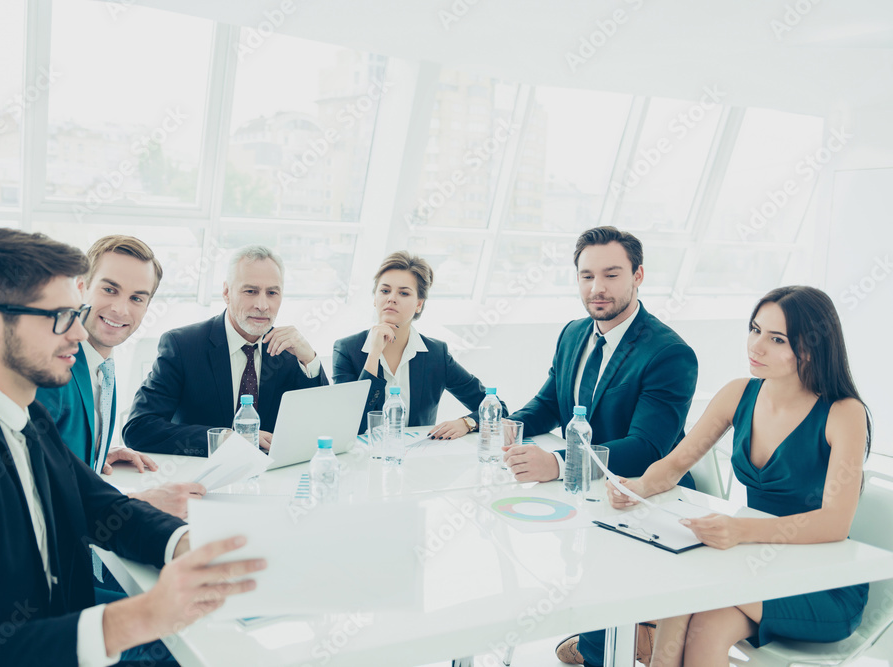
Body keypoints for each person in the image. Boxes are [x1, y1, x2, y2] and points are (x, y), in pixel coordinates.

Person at [0, 228, 263, 667]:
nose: (78, 333)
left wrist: (190, 545)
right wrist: (139, 617)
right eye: (59, 317)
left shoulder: (26, 413)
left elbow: (101, 506)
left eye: (75, 313)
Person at [607, 286, 871, 667]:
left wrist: (739, 531)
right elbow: (676, 463)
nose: (756, 346)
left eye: (776, 339)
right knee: (702, 622)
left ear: (811, 348)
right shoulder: (738, 394)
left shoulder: (843, 412)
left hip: (821, 580)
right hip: (757, 565)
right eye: (755, 329)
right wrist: (637, 486)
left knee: (691, 591)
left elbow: (835, 523)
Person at [501, 226, 699, 666]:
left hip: (646, 496)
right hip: (591, 492)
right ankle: (603, 641)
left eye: (611, 275)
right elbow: (552, 401)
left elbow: (648, 447)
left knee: (602, 574)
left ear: (638, 276)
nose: (598, 288)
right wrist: (505, 425)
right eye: (586, 276)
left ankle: (615, 644)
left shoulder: (669, 353)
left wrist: (556, 462)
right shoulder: (574, 332)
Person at [37, 235, 205, 520]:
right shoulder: (51, 369)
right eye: (110, 289)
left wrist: (95, 454)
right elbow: (34, 489)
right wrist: (137, 500)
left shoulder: (104, 364)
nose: (121, 309)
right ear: (82, 287)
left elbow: (59, 451)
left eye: (136, 298)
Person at [124, 244, 328, 456]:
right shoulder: (182, 346)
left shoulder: (289, 351)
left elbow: (323, 426)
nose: (262, 305)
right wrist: (224, 438)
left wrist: (310, 359)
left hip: (271, 478)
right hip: (200, 479)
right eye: (250, 291)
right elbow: (139, 428)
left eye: (272, 293)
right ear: (226, 292)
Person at [333, 251, 506, 438]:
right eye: (384, 291)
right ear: (375, 299)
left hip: (417, 459)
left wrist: (466, 423)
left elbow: (498, 408)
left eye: (404, 293)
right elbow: (349, 423)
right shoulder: (346, 350)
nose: (391, 298)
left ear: (419, 305)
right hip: (361, 459)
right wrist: (374, 354)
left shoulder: (436, 354)